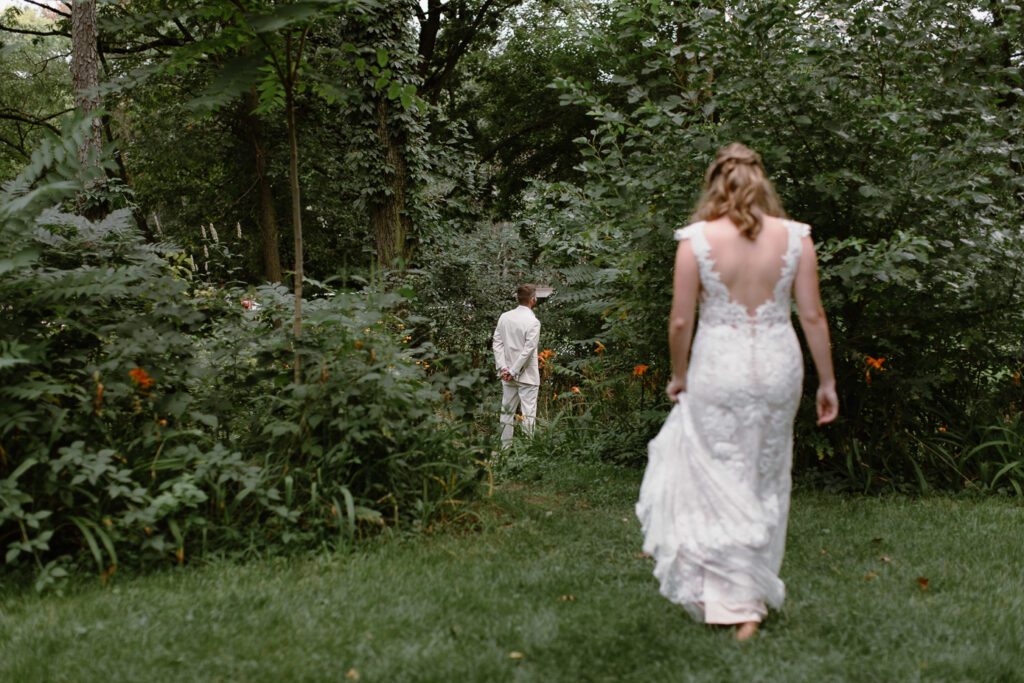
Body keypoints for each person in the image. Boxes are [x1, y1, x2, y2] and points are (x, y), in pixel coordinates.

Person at [635, 143, 839, 641]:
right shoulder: (797, 238)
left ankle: (731, 597)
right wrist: (827, 381)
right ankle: (744, 596)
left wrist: (678, 374)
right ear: (761, 181)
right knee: (763, 475)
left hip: (717, 367)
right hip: (777, 367)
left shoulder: (696, 240)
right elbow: (812, 315)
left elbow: (680, 320)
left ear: (715, 185)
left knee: (719, 472)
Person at [492, 284, 542, 448]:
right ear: (533, 299)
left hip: (506, 373)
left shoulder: (504, 317)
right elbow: (528, 350)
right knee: (528, 414)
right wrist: (513, 371)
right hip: (527, 375)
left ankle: (504, 450)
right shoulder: (533, 322)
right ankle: (527, 451)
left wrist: (503, 368)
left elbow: (497, 343)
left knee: (506, 412)